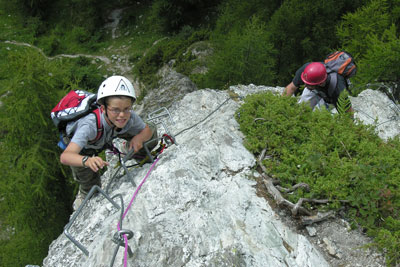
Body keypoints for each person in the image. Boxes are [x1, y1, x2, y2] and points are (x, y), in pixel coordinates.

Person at [60, 75, 157, 210]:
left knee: (152, 134)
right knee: (92, 190)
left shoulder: (129, 118)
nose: (122, 115)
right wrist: (86, 161)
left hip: (108, 133)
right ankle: (82, 198)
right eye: (116, 109)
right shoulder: (89, 125)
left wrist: (138, 139)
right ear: (103, 108)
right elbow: (66, 156)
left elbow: (147, 130)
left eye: (126, 109)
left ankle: (130, 150)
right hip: (84, 150)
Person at [282, 62, 353, 112]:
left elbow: (348, 113)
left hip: (330, 92)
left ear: (320, 84)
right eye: (305, 83)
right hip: (316, 86)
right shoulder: (306, 71)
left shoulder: (337, 89)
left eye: (308, 84)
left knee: (322, 113)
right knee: (302, 110)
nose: (305, 86)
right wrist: (280, 105)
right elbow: (291, 88)